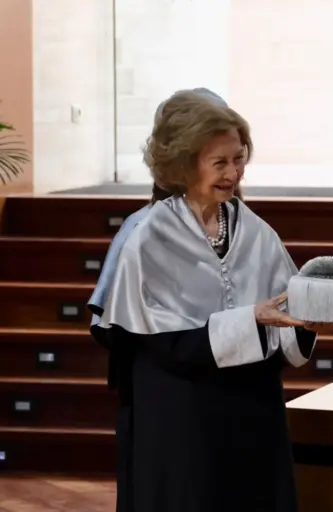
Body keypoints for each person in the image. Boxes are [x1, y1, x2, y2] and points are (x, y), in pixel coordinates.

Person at [96, 90, 333, 512]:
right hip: (183, 420)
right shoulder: (148, 237)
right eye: (219, 163)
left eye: (239, 158)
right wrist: (250, 320)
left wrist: (307, 325)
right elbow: (163, 344)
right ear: (185, 163)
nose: (233, 173)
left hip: (251, 415)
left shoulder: (257, 231)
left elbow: (281, 322)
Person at [87, 88, 234, 512]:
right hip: (168, 410)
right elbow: (115, 330)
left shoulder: (245, 227)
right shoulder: (141, 230)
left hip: (232, 408)